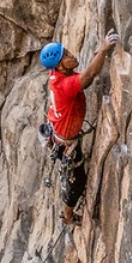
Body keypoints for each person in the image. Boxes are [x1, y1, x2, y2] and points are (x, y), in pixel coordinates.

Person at [39, 31, 119, 224]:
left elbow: (85, 76)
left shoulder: (59, 74)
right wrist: (104, 50)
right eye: (66, 56)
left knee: (75, 174)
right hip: (65, 142)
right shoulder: (63, 85)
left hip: (58, 132)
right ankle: (67, 215)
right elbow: (89, 75)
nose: (72, 55)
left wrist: (98, 54)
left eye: (67, 52)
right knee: (77, 180)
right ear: (59, 66)